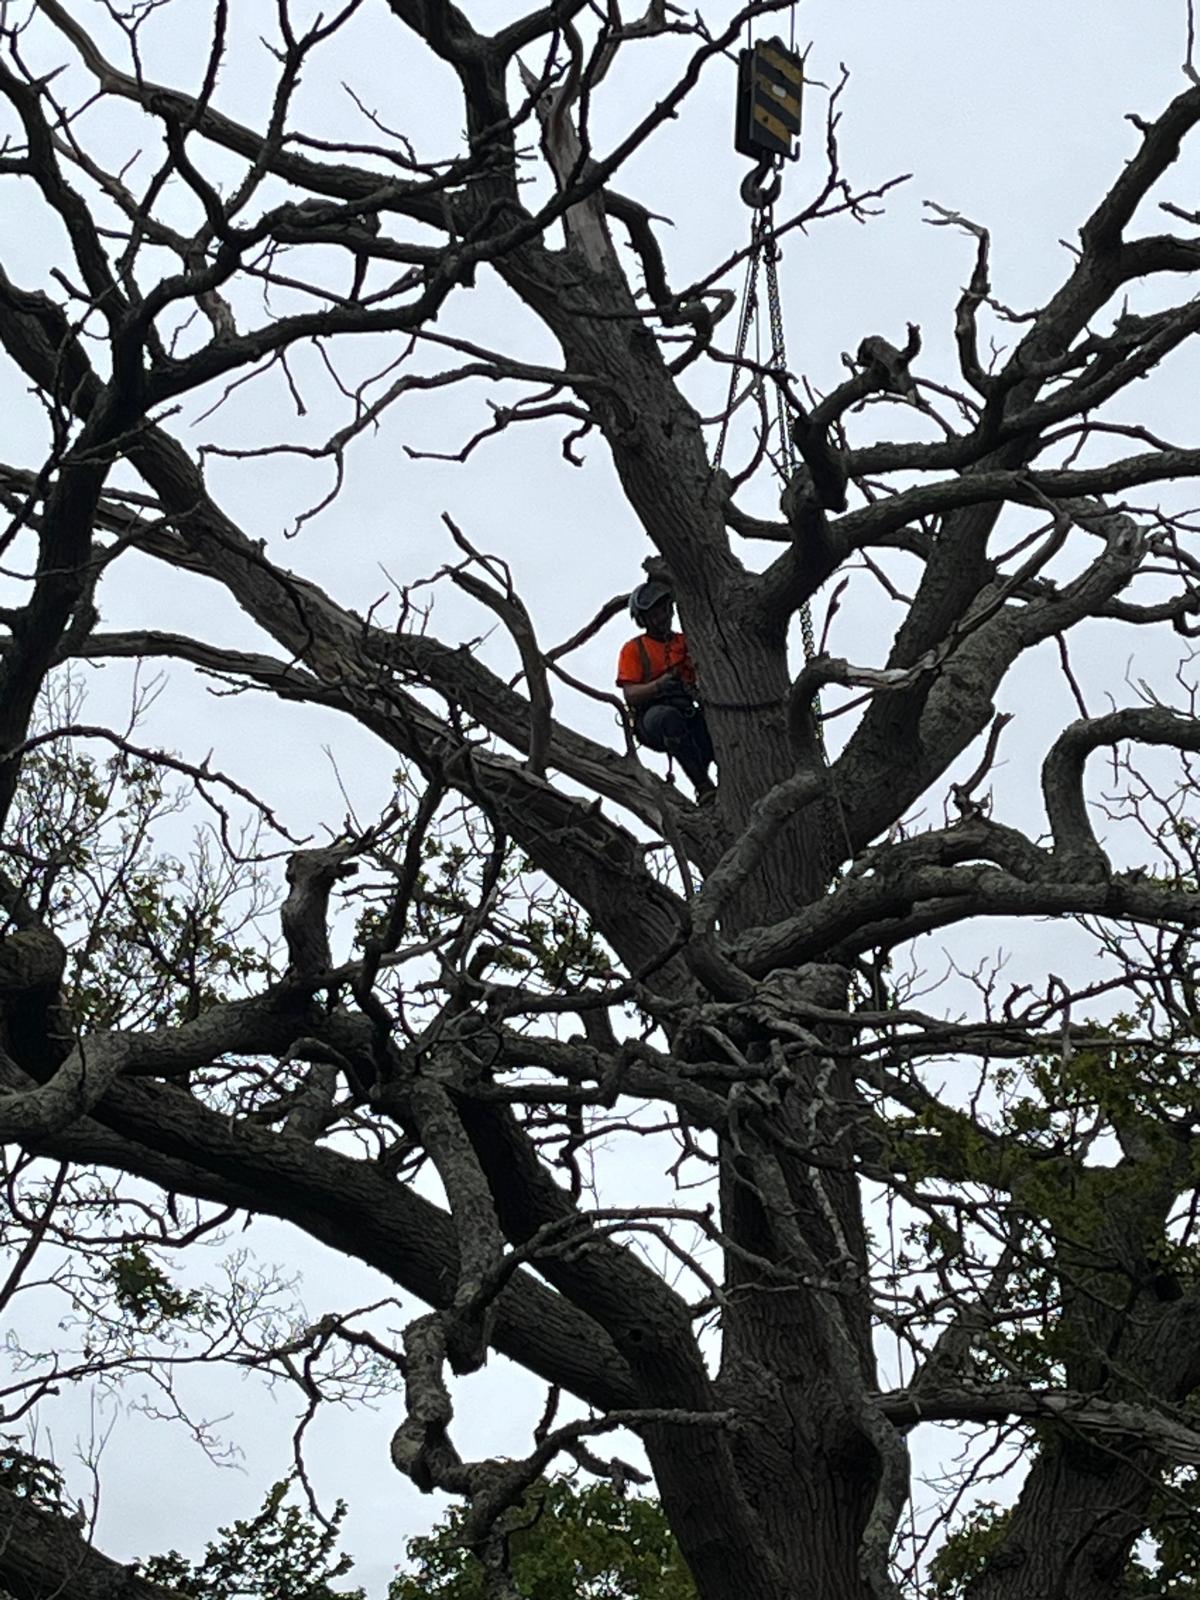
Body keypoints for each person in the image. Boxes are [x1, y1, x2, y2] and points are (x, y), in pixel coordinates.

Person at [617, 581, 716, 801]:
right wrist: (659, 685)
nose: (661, 617)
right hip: (652, 718)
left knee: (711, 726)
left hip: (687, 709)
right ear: (642, 620)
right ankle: (703, 786)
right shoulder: (635, 649)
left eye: (663, 609)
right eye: (654, 614)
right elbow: (630, 694)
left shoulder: (686, 642)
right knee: (669, 718)